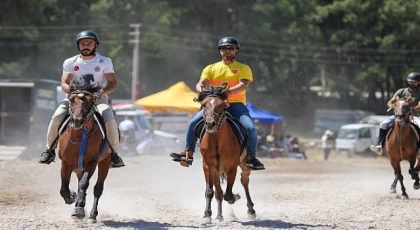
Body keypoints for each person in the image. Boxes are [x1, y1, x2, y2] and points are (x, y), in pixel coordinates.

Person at [170, 36, 265, 170]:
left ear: (236, 51)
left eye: (231, 48)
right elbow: (201, 83)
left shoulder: (243, 68)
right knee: (193, 123)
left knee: (249, 127)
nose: (227, 51)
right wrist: (201, 91)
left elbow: (243, 85)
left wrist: (227, 92)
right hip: (213, 104)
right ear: (220, 51)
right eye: (224, 49)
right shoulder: (211, 68)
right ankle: (187, 153)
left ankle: (251, 158)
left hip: (235, 104)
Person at [38, 30, 125, 168]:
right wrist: (72, 92)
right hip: (75, 99)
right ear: (78, 45)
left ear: (95, 45)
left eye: (89, 43)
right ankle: (49, 150)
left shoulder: (105, 61)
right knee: (57, 116)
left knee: (109, 118)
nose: (86, 46)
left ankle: (114, 154)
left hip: (98, 99)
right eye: (82, 43)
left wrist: (101, 92)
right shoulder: (70, 62)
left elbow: (113, 84)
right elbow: (64, 83)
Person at [370, 72, 420, 155]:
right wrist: (393, 106)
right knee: (383, 124)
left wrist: (411, 109)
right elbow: (390, 102)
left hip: (415, 116)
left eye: (414, 82)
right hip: (399, 115)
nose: (412, 83)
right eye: (410, 81)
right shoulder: (401, 91)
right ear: (408, 82)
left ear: (419, 82)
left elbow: (419, 105)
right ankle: (379, 145)